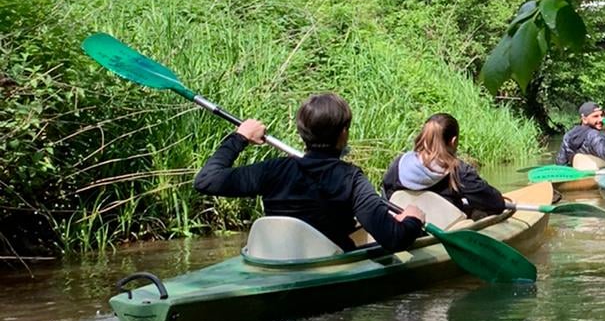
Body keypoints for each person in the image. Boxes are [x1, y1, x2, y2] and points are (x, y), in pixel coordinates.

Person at [193, 92, 426, 252]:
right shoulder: (351, 178)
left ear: (301, 132)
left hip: (275, 259)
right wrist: (413, 220)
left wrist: (240, 137)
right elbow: (394, 239)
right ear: (343, 133)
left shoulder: (273, 170)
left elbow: (206, 180)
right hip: (322, 263)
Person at [382, 113, 513, 219]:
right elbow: (496, 203)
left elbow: (386, 199)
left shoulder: (398, 164)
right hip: (444, 233)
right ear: (453, 141)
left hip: (406, 231)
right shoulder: (459, 171)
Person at [556, 100, 605, 167]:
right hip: (596, 174)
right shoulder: (593, 134)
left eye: (602, 115)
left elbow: (560, 162)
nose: (600, 119)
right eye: (595, 116)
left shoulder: (568, 135)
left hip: (579, 173)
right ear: (584, 119)